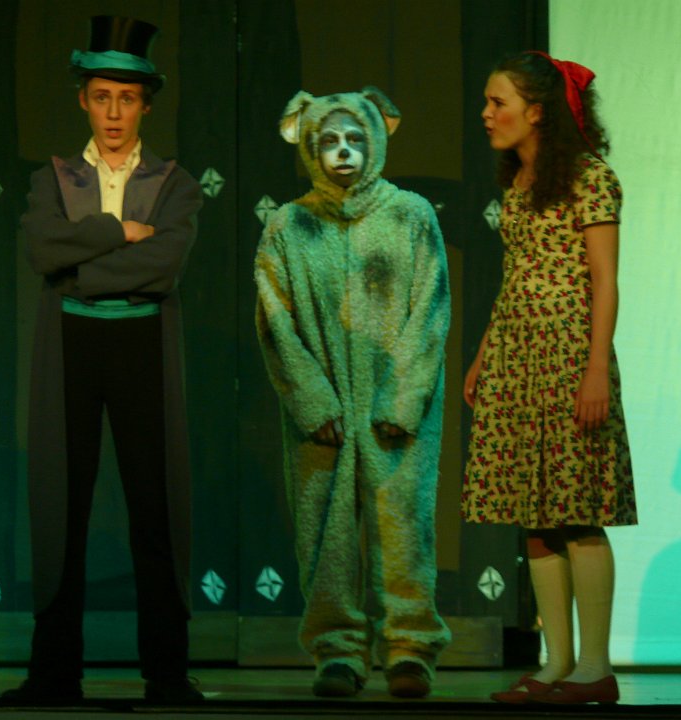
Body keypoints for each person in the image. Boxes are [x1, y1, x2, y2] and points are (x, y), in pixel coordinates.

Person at [1, 16, 203, 705]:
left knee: (155, 506)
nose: (114, 113)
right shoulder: (50, 180)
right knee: (62, 505)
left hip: (142, 346)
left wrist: (78, 267)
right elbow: (42, 250)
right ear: (83, 101)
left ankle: (167, 674)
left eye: (127, 98)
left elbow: (162, 267)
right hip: (73, 347)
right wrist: (116, 230)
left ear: (146, 105)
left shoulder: (174, 183)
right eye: (102, 97)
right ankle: (54, 672)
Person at [255, 87, 451, 699]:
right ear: (310, 147)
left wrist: (403, 399)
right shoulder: (288, 226)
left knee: (404, 525)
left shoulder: (411, 215)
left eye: (355, 140)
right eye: (330, 141)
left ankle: (410, 648)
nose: (343, 152)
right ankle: (337, 650)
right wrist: (312, 402)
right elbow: (275, 319)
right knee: (325, 532)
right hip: (324, 413)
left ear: (377, 141)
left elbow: (430, 310)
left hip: (398, 408)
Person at [461, 51, 637, 705]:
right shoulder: (519, 180)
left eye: (497, 102)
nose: (486, 114)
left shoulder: (590, 178)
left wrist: (595, 370)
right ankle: (556, 663)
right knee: (534, 516)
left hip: (568, 358)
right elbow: (517, 276)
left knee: (576, 509)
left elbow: (605, 281)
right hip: (517, 358)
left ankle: (595, 668)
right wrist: (485, 353)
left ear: (537, 111)